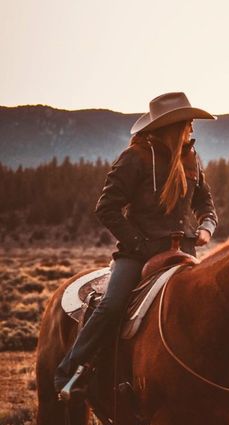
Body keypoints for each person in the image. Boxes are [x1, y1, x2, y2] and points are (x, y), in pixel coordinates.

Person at [54, 92, 218, 394]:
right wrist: (139, 243)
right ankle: (70, 373)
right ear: (173, 125)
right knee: (112, 305)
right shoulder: (136, 158)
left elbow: (205, 202)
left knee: (216, 304)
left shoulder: (191, 158)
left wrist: (207, 226)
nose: (193, 126)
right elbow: (107, 207)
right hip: (137, 255)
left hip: (185, 253)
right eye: (188, 121)